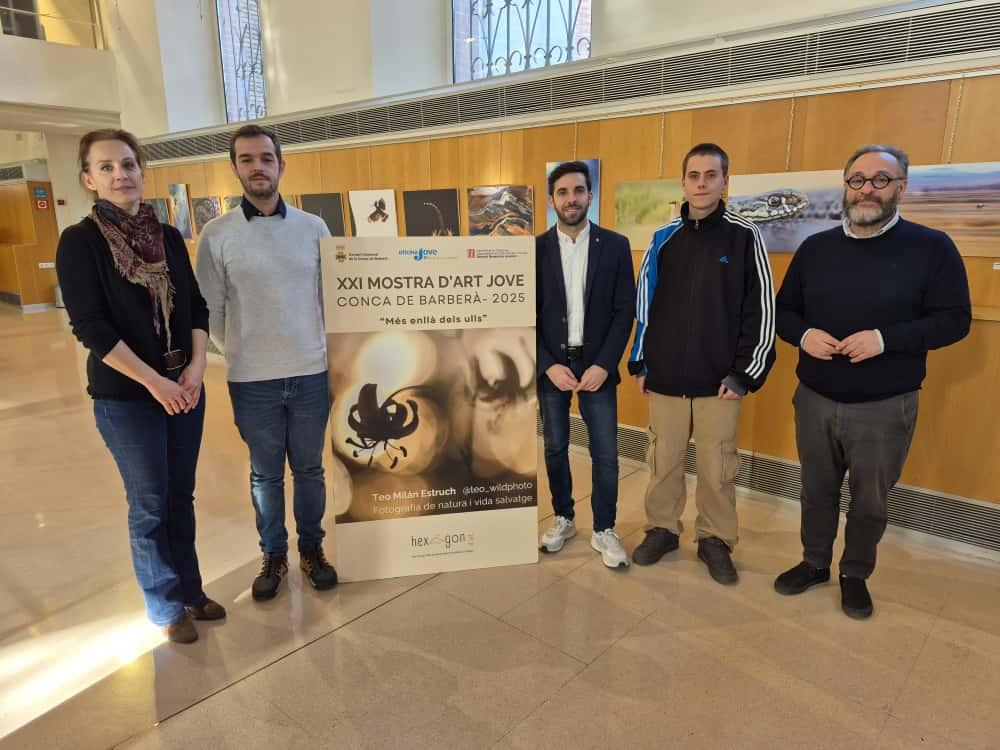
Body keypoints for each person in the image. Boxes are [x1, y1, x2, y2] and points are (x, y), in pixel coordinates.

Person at [773, 144, 971, 619]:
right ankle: (815, 563)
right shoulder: (815, 248)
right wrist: (804, 334)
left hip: (884, 406)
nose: (867, 189)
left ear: (901, 187)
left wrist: (885, 340)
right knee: (816, 491)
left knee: (869, 501)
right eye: (857, 180)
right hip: (815, 398)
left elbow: (955, 320)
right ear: (846, 187)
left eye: (880, 180)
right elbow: (783, 312)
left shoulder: (932, 248)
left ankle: (855, 574)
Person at [56, 129, 225, 644]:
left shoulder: (167, 236)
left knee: (180, 496)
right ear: (88, 179)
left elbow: (196, 306)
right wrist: (155, 383)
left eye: (128, 164)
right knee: (150, 503)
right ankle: (166, 606)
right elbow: (91, 328)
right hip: (128, 397)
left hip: (184, 389)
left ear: (141, 170)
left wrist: (196, 368)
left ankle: (191, 590)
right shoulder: (80, 242)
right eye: (106, 167)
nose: (120, 175)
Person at [196, 124, 337, 601]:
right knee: (265, 475)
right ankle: (273, 554)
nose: (258, 167)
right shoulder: (217, 235)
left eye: (266, 158)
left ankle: (312, 549)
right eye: (247, 159)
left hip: (310, 373)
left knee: (310, 471)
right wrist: (242, 349)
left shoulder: (313, 228)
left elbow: (329, 301)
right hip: (251, 380)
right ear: (235, 168)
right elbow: (210, 310)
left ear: (281, 165)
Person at [628, 143, 776, 584]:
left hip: (721, 381)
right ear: (683, 183)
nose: (702, 184)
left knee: (717, 468)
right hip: (666, 376)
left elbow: (762, 309)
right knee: (663, 461)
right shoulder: (663, 238)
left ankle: (715, 538)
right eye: (694, 176)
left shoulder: (745, 236)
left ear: (725, 181)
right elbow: (644, 303)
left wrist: (746, 373)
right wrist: (640, 362)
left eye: (711, 175)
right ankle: (662, 528)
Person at [536, 161, 636, 568]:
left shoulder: (615, 245)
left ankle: (604, 528)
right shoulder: (535, 249)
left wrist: (605, 364)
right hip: (553, 368)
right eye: (562, 192)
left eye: (578, 190)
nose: (571, 199)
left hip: (598, 366)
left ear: (590, 195)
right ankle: (563, 517)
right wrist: (546, 365)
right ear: (552, 200)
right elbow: (524, 315)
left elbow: (624, 311)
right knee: (555, 447)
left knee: (606, 453)